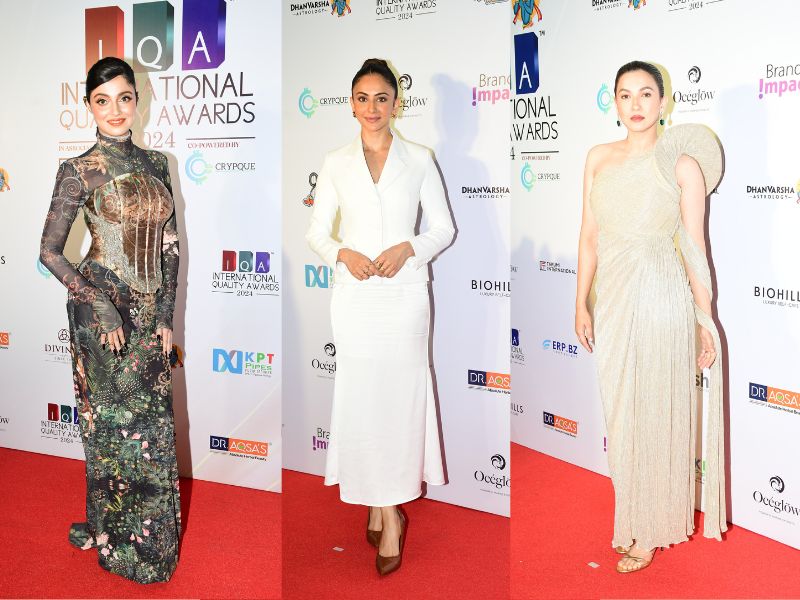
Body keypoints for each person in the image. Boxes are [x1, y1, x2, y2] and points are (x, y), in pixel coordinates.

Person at [575, 60, 726, 574]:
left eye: (645, 94)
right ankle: (634, 515)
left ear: (664, 102)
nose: (635, 104)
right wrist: (580, 300)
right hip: (613, 299)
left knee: (654, 411)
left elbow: (695, 249)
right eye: (625, 94)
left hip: (662, 296)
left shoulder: (682, 165)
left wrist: (704, 320)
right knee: (621, 416)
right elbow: (588, 237)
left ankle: (647, 530)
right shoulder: (598, 157)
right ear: (614, 102)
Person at [306, 58, 454, 576]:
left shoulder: (419, 158)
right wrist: (342, 254)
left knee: (398, 402)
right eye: (363, 98)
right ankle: (382, 505)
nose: (372, 107)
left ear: (396, 102)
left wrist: (408, 248)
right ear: (351, 104)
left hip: (404, 296)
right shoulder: (335, 161)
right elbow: (317, 232)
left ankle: (388, 509)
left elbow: (443, 228)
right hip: (355, 298)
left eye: (382, 98)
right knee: (363, 401)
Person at [39, 57, 180, 584]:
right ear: (89, 107)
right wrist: (97, 301)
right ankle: (114, 541)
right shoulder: (78, 170)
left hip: (147, 313)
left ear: (136, 101)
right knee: (112, 430)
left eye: (124, 97)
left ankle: (150, 546)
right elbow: (50, 251)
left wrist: (165, 313)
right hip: (100, 313)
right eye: (103, 100)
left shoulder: (158, 163)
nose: (115, 110)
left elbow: (170, 246)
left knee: (152, 428)